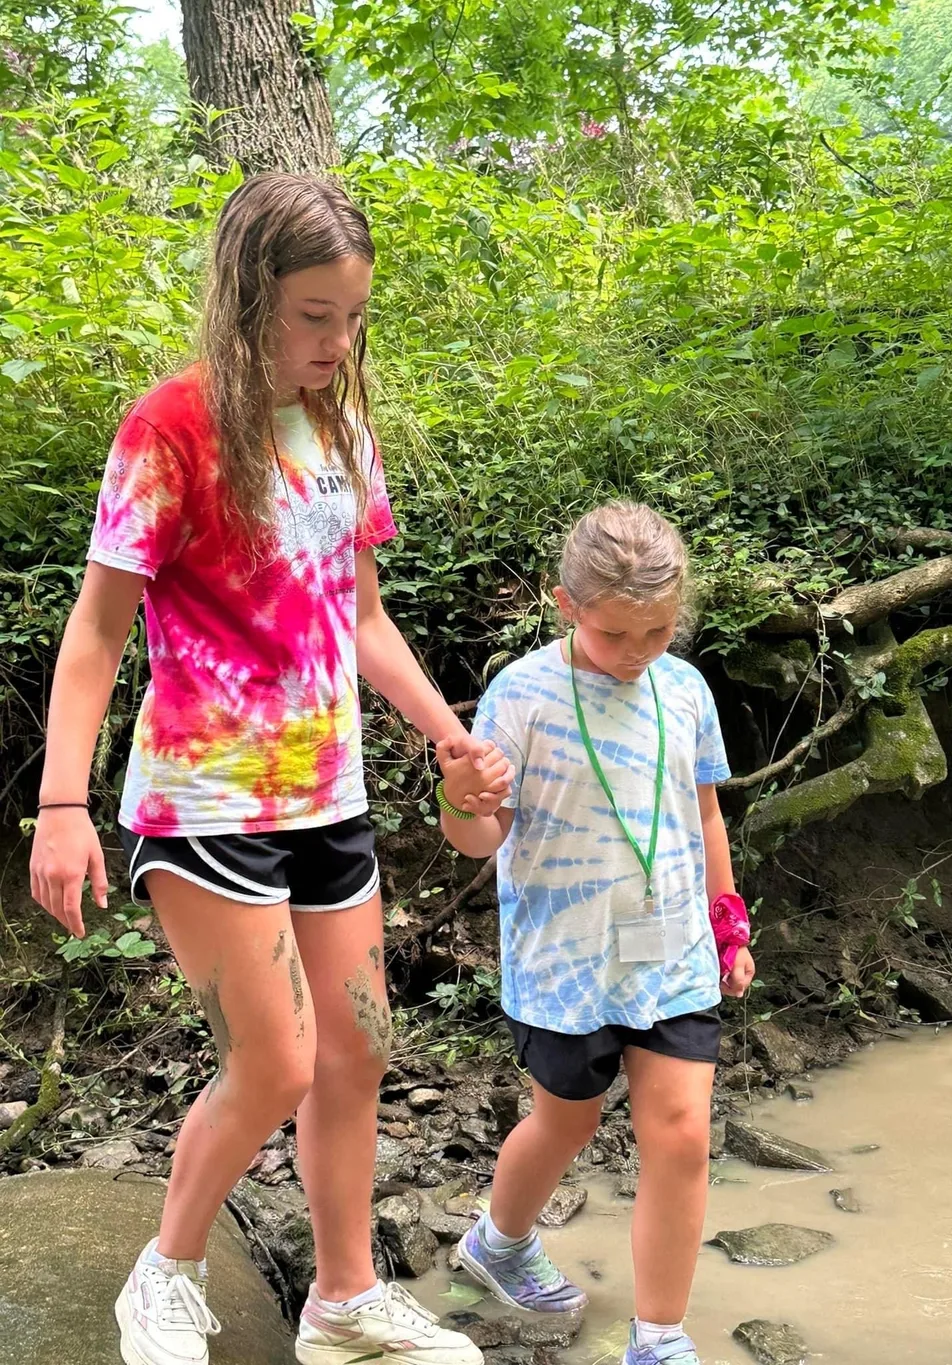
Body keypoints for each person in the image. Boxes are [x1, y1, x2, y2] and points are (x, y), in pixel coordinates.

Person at [29, 172, 511, 1365]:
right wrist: (60, 805)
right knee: (276, 1063)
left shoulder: (340, 429)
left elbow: (362, 618)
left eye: (352, 317)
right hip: (204, 802)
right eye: (312, 316)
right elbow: (95, 634)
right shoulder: (170, 429)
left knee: (358, 1048)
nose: (336, 342)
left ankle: (342, 1300)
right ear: (248, 299)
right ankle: (166, 1272)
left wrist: (445, 733)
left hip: (327, 795)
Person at [434, 501, 756, 1365]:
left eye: (658, 630)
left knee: (683, 1132)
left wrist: (728, 923)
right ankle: (498, 1243)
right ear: (565, 604)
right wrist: (459, 799)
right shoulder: (521, 694)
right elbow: (481, 837)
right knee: (566, 1122)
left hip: (674, 952)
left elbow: (705, 813)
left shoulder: (684, 689)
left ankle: (658, 1337)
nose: (638, 651)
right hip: (564, 962)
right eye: (616, 633)